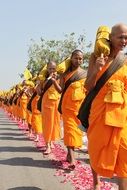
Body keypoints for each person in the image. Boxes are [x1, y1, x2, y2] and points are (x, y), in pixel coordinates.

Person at [85, 23, 127, 190]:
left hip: (121, 115)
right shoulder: (95, 57)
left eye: (126, 37)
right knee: (97, 148)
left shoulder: (124, 60)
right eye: (121, 37)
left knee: (124, 152)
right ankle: (96, 182)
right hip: (100, 114)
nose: (124, 40)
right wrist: (96, 69)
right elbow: (88, 86)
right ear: (110, 37)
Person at [58, 50, 86, 168]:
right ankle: (72, 159)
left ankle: (69, 154)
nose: (78, 61)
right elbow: (61, 90)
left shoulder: (86, 74)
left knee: (76, 132)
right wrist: (57, 79)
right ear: (71, 58)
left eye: (80, 59)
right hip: (67, 107)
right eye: (76, 58)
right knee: (69, 131)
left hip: (79, 108)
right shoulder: (65, 75)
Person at [41, 61, 61, 154]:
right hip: (47, 104)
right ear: (47, 69)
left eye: (53, 68)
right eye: (50, 68)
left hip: (56, 103)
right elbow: (40, 90)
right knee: (47, 124)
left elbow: (60, 90)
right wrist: (49, 79)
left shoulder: (59, 78)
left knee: (55, 123)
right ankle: (47, 144)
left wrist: (54, 81)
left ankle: (52, 140)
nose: (52, 70)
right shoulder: (44, 78)